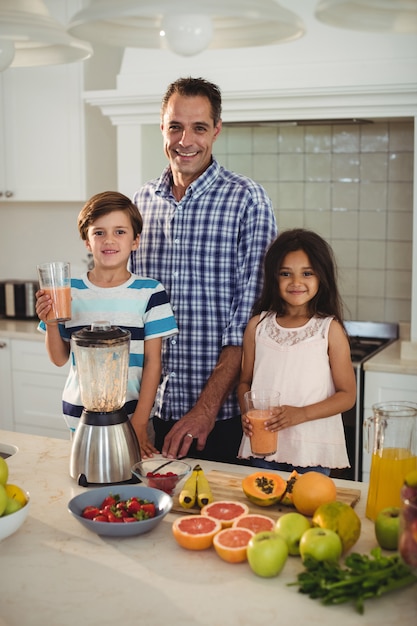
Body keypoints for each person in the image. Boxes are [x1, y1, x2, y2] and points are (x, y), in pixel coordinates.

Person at [130, 77, 277, 463]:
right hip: (149, 413)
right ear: (162, 127)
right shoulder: (140, 202)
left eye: (198, 127)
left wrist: (206, 408)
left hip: (220, 419)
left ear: (216, 130)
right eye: (175, 126)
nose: (185, 140)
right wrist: (137, 412)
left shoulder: (247, 199)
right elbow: (130, 307)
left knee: (215, 518)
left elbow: (250, 319)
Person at [36, 191, 178, 457]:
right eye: (99, 233)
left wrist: (139, 422)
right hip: (79, 418)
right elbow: (59, 358)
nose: (109, 240)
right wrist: (51, 324)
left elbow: (153, 363)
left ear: (135, 240)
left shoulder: (150, 292)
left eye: (120, 232)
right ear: (87, 241)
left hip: (133, 419)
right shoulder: (69, 290)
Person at [237, 228, 356, 475]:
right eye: (285, 273)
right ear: (273, 277)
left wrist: (300, 414)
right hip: (264, 445)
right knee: (265, 507)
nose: (296, 282)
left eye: (307, 273)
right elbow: (245, 382)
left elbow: (347, 395)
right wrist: (247, 412)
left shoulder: (329, 329)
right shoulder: (257, 327)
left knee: (309, 510)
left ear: (321, 277)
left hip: (313, 449)